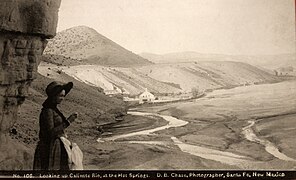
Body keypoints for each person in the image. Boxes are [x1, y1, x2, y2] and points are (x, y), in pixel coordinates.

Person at [33, 81, 78, 170]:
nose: (63, 98)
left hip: (55, 147)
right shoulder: (48, 111)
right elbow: (50, 132)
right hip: (49, 149)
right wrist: (68, 121)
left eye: (64, 96)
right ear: (53, 96)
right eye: (60, 96)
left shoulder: (53, 109)